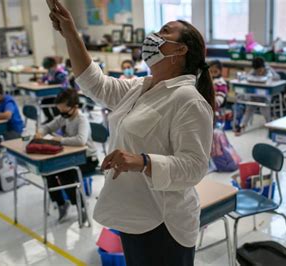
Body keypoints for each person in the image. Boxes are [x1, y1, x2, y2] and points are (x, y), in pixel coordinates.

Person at [50, 3, 214, 265]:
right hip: (134, 213)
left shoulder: (188, 100)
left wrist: (143, 161)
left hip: (163, 222)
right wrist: (71, 34)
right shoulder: (141, 86)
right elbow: (94, 82)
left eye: (164, 31)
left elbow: (195, 167)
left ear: (180, 50)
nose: (154, 36)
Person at [36, 89, 98, 221]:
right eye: (60, 111)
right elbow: (47, 127)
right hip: (71, 157)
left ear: (75, 106)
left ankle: (81, 206)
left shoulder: (82, 119)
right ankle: (61, 203)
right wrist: (40, 133)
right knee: (48, 171)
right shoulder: (63, 117)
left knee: (65, 174)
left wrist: (59, 140)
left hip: (87, 159)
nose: (62, 114)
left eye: (65, 111)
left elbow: (81, 140)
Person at [235, 57, 280, 136]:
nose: (259, 72)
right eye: (257, 71)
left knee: (264, 109)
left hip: (265, 96)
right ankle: (242, 126)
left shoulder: (268, 70)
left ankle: (269, 125)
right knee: (249, 108)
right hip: (255, 95)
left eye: (260, 70)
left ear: (263, 67)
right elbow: (247, 78)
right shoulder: (253, 71)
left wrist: (271, 78)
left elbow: (278, 77)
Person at [41, 56, 68, 123]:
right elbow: (46, 77)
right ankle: (50, 118)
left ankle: (59, 121)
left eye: (50, 67)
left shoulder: (60, 71)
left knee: (55, 105)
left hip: (62, 92)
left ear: (54, 65)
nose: (50, 69)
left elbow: (58, 81)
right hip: (53, 92)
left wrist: (47, 82)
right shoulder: (51, 70)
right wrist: (42, 80)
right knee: (43, 102)